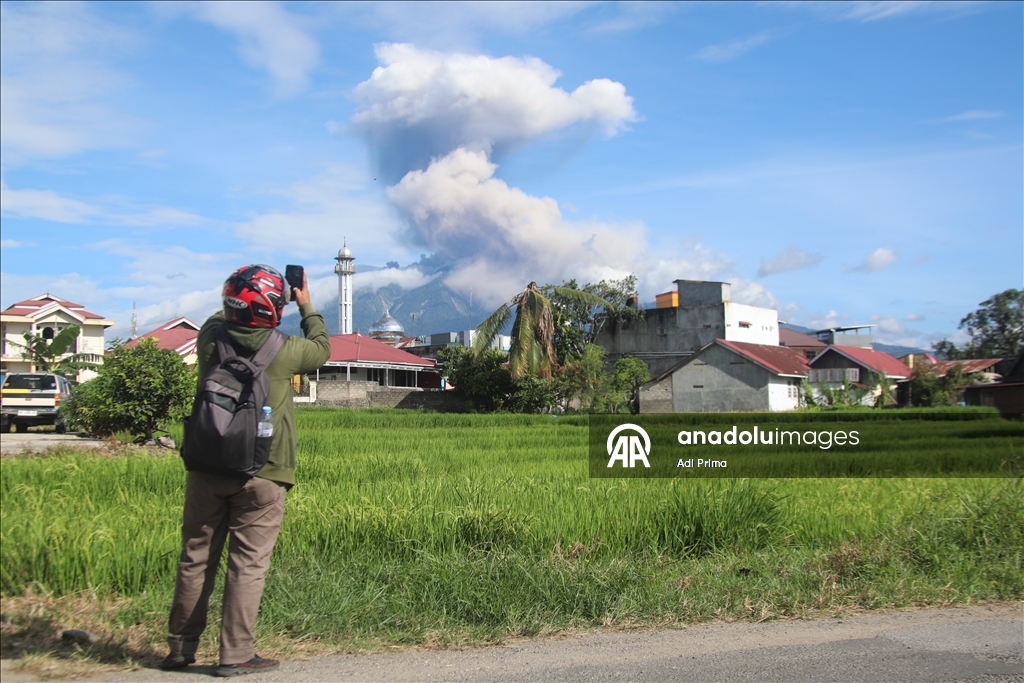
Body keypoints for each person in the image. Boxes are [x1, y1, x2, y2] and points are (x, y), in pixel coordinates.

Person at [163, 264, 331, 677]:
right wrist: (303, 302)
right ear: (274, 308)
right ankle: (235, 653)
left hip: (206, 466)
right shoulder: (287, 350)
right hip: (264, 471)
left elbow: (219, 316)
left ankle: (181, 649)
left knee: (195, 558)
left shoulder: (209, 337)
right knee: (247, 564)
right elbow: (322, 347)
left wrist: (241, 295)